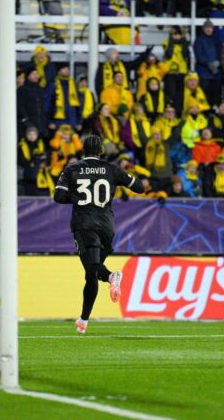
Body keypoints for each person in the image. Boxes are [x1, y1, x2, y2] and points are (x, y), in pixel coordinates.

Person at [53, 134, 145, 334]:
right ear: (101, 151)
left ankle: (112, 276)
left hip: (84, 224)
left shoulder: (72, 169)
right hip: (106, 226)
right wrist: (123, 178)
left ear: (83, 150)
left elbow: (58, 196)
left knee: (92, 267)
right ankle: (83, 320)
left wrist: (79, 197)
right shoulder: (112, 169)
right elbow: (140, 188)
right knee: (91, 273)